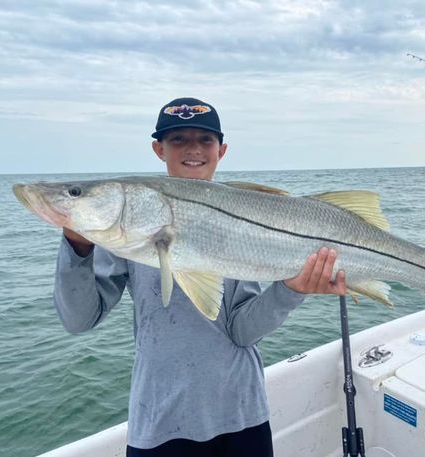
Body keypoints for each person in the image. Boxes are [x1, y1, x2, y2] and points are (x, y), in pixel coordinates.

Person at [54, 97, 346, 457]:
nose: (193, 149)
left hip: (243, 414)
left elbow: (241, 331)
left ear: (221, 150)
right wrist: (77, 247)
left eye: (205, 140)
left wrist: (291, 289)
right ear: (158, 149)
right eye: (178, 139)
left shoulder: (238, 218)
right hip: (159, 421)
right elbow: (79, 319)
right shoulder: (128, 231)